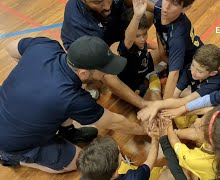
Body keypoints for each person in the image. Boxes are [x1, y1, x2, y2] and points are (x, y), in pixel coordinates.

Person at [0, 36, 145, 173]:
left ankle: (67, 131)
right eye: (103, 71)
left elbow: (11, 48)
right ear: (83, 73)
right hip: (10, 143)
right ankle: (13, 158)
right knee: (78, 161)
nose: (106, 75)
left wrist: (33, 80)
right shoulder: (73, 99)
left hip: (10, 109)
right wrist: (144, 130)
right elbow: (114, 122)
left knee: (73, 93)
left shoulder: (44, 46)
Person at [61, 0, 156, 109]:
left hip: (113, 30)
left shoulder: (107, 7)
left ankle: (131, 48)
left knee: (149, 14)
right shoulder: (79, 25)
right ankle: (89, 83)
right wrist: (146, 106)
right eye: (98, 2)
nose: (107, 6)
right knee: (106, 73)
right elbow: (105, 69)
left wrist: (160, 10)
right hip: (94, 44)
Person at [137, 44, 220, 127]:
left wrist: (161, 110)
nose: (193, 72)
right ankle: (155, 80)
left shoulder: (215, 84)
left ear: (213, 73)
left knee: (192, 126)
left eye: (200, 71)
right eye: (193, 65)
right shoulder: (190, 69)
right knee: (171, 94)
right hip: (199, 97)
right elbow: (176, 92)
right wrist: (163, 111)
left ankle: (155, 81)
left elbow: (187, 101)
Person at [153, 0, 204, 99]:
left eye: (175, 4)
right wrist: (162, 54)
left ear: (185, 8)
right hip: (174, 53)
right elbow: (159, 29)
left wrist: (163, 106)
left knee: (175, 95)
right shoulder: (159, 7)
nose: (166, 6)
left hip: (190, 63)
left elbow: (174, 73)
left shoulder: (177, 37)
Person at [117, 1, 161, 97]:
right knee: (154, 97)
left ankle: (153, 76)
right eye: (137, 36)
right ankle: (153, 77)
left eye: (145, 34)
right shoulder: (126, 46)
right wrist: (137, 16)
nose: (142, 39)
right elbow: (129, 38)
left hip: (145, 67)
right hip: (134, 83)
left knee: (164, 52)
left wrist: (157, 48)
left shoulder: (141, 41)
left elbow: (146, 44)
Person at [77, 134, 159, 179]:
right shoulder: (133, 177)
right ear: (115, 173)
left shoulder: (88, 174)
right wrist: (155, 138)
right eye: (118, 151)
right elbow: (150, 162)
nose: (118, 147)